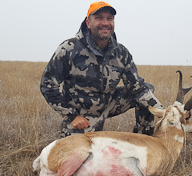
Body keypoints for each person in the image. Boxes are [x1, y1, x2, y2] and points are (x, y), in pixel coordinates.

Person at [40, 1, 164, 138]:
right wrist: (72, 116)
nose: (105, 23)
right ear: (88, 23)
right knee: (81, 154)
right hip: (82, 112)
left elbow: (137, 88)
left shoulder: (121, 52)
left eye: (109, 18)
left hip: (109, 103)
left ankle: (144, 139)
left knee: (146, 90)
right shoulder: (69, 49)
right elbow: (48, 85)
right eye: (99, 18)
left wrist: (165, 113)